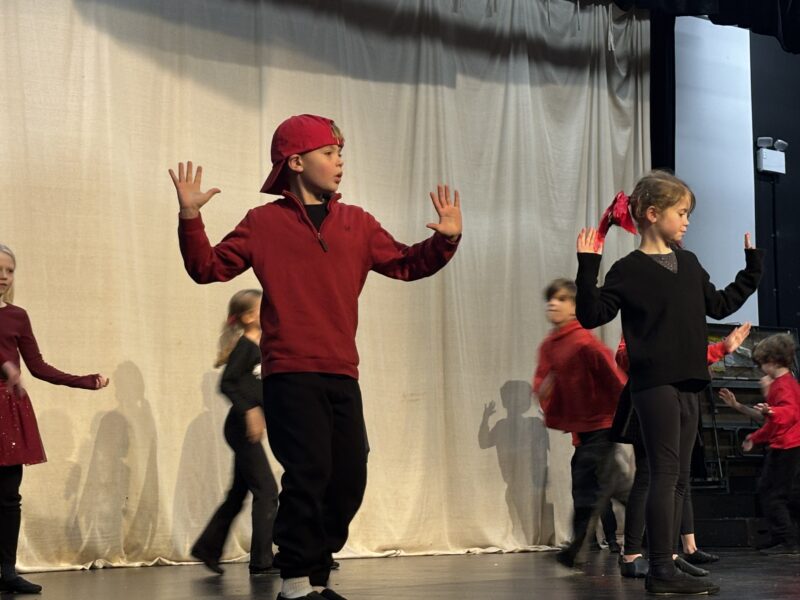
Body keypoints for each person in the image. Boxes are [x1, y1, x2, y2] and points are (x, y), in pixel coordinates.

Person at [169, 114, 462, 600]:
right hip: (290, 373)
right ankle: (295, 583)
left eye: (340, 153)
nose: (340, 162)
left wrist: (445, 240)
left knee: (349, 477)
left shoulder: (357, 223)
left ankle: (315, 575)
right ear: (296, 162)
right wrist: (189, 217)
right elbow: (207, 268)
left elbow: (407, 263)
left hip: (341, 372)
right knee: (308, 472)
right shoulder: (264, 223)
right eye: (329, 153)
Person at [575, 170, 763, 595]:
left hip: (690, 382)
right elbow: (592, 314)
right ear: (652, 213)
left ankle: (671, 559)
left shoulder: (689, 263)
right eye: (681, 213)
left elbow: (719, 304)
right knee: (662, 472)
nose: (687, 221)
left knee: (678, 477)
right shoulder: (628, 270)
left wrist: (752, 269)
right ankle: (659, 568)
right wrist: (588, 264)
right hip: (654, 383)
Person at [0, 243, 108, 594]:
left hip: (7, 410)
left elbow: (37, 366)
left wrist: (84, 381)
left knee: (8, 496)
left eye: (10, 270)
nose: (4, 276)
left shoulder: (17, 316)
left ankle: (6, 571)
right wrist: (4, 366)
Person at [615, 322, 751, 579]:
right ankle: (631, 553)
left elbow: (693, 359)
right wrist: (657, 353)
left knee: (679, 478)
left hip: (684, 395)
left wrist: (721, 349)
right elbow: (623, 356)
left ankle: (672, 553)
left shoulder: (684, 317)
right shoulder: (644, 312)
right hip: (651, 392)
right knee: (647, 475)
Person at [532, 278, 626, 567]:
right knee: (614, 486)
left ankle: (577, 548)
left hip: (602, 425)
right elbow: (542, 379)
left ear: (575, 307)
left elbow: (615, 380)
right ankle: (663, 518)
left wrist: (630, 415)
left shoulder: (584, 342)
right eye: (551, 298)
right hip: (582, 430)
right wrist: (544, 390)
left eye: (561, 299)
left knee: (588, 486)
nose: (553, 304)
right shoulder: (550, 345)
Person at [191, 289, 280, 576]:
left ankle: (207, 548)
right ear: (249, 317)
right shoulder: (245, 347)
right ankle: (262, 560)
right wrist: (250, 410)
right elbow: (227, 383)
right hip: (240, 428)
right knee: (267, 491)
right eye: (264, 307)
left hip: (245, 428)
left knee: (239, 492)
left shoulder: (263, 346)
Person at [740, 333, 800, 555]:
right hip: (785, 445)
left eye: (762, 364)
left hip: (788, 448)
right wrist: (755, 438)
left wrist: (772, 411)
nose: (761, 369)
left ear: (773, 361)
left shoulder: (783, 386)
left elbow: (789, 414)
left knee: (774, 494)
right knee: (776, 492)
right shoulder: (784, 384)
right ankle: (781, 535)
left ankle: (787, 540)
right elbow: (774, 424)